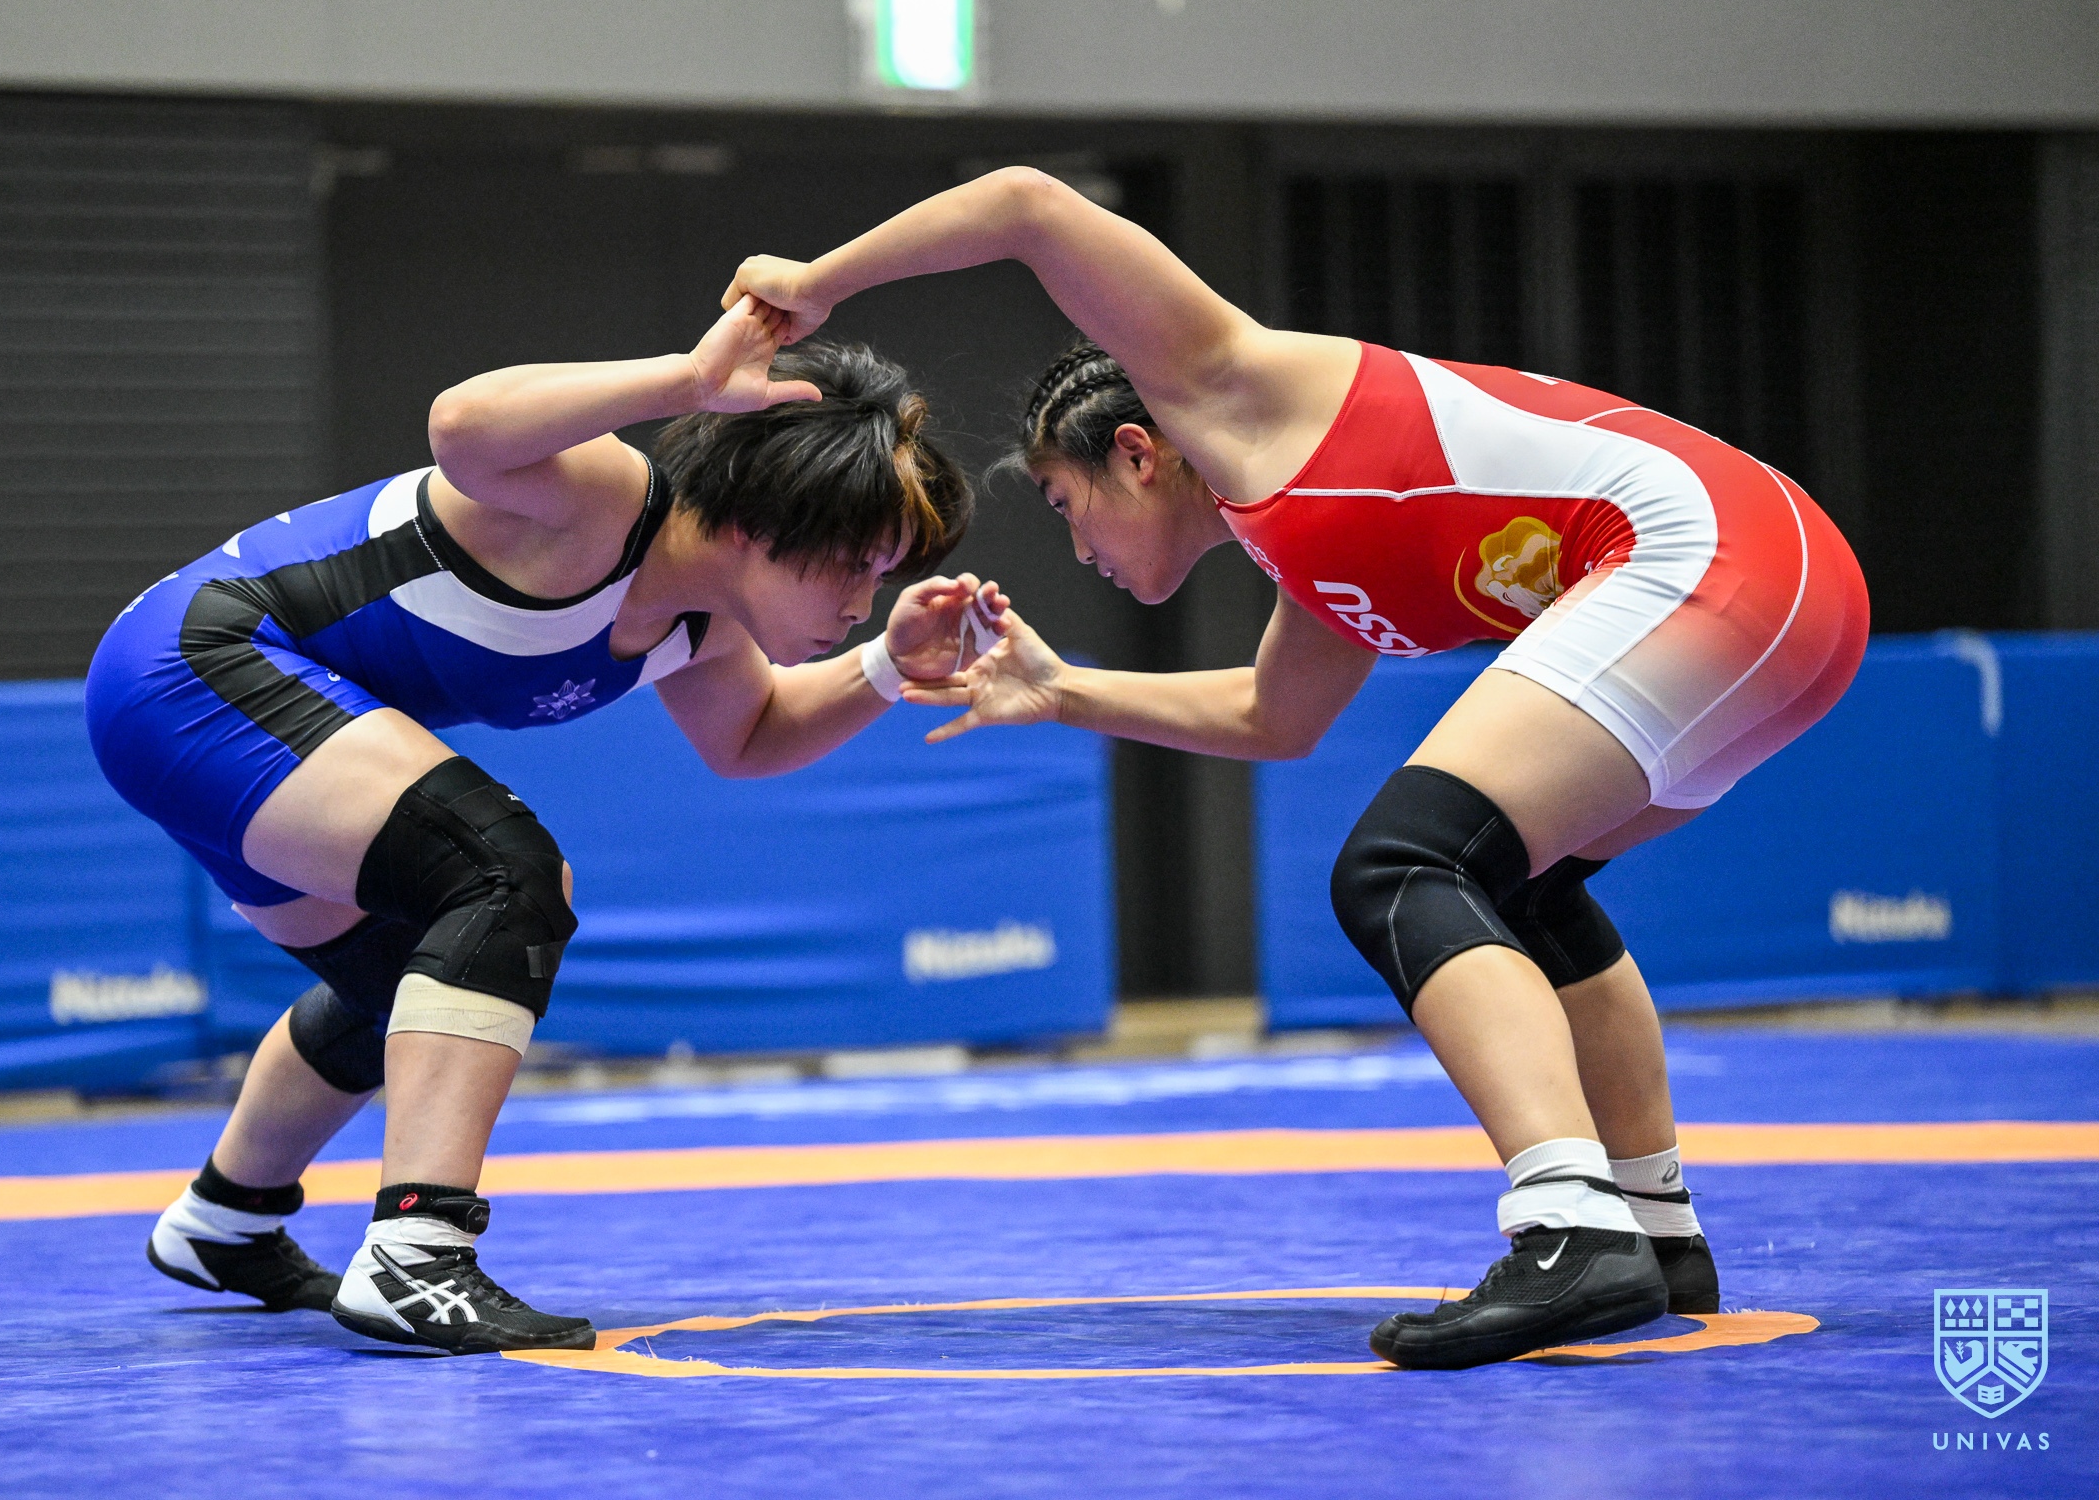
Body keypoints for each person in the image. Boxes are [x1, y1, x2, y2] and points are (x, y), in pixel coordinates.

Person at [721, 169, 1870, 1370]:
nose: (1076, 543)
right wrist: (1062, 693)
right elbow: (1273, 718)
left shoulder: (1229, 384)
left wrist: (819, 282)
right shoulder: (1304, 543)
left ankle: (1570, 1224)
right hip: (1794, 595)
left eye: (1066, 503)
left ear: (1136, 453)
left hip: (1713, 556)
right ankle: (1654, 1228)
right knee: (1521, 889)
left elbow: (1024, 203)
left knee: (1404, 866)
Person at [86, 298, 979, 1355]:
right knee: (504, 877)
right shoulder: (604, 499)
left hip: (221, 701)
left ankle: (226, 1222)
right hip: (195, 670)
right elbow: (462, 425)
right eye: (853, 565)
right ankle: (417, 1256)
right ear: (760, 520)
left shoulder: (703, 625)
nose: (863, 603)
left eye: (881, 576)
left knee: (408, 984)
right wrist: (688, 382)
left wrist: (887, 671)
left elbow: (750, 740)